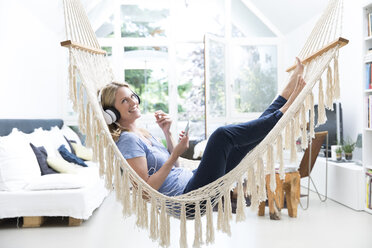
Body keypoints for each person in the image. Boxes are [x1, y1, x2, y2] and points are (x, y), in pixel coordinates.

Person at [99, 58, 305, 197]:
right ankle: (287, 108)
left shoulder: (142, 133)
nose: (133, 101)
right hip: (189, 195)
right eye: (124, 101)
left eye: (132, 96)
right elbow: (146, 190)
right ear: (112, 113)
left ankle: (288, 93)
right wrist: (174, 154)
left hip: (195, 179)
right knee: (221, 136)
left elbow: (176, 168)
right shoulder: (127, 140)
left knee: (247, 141)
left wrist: (167, 134)